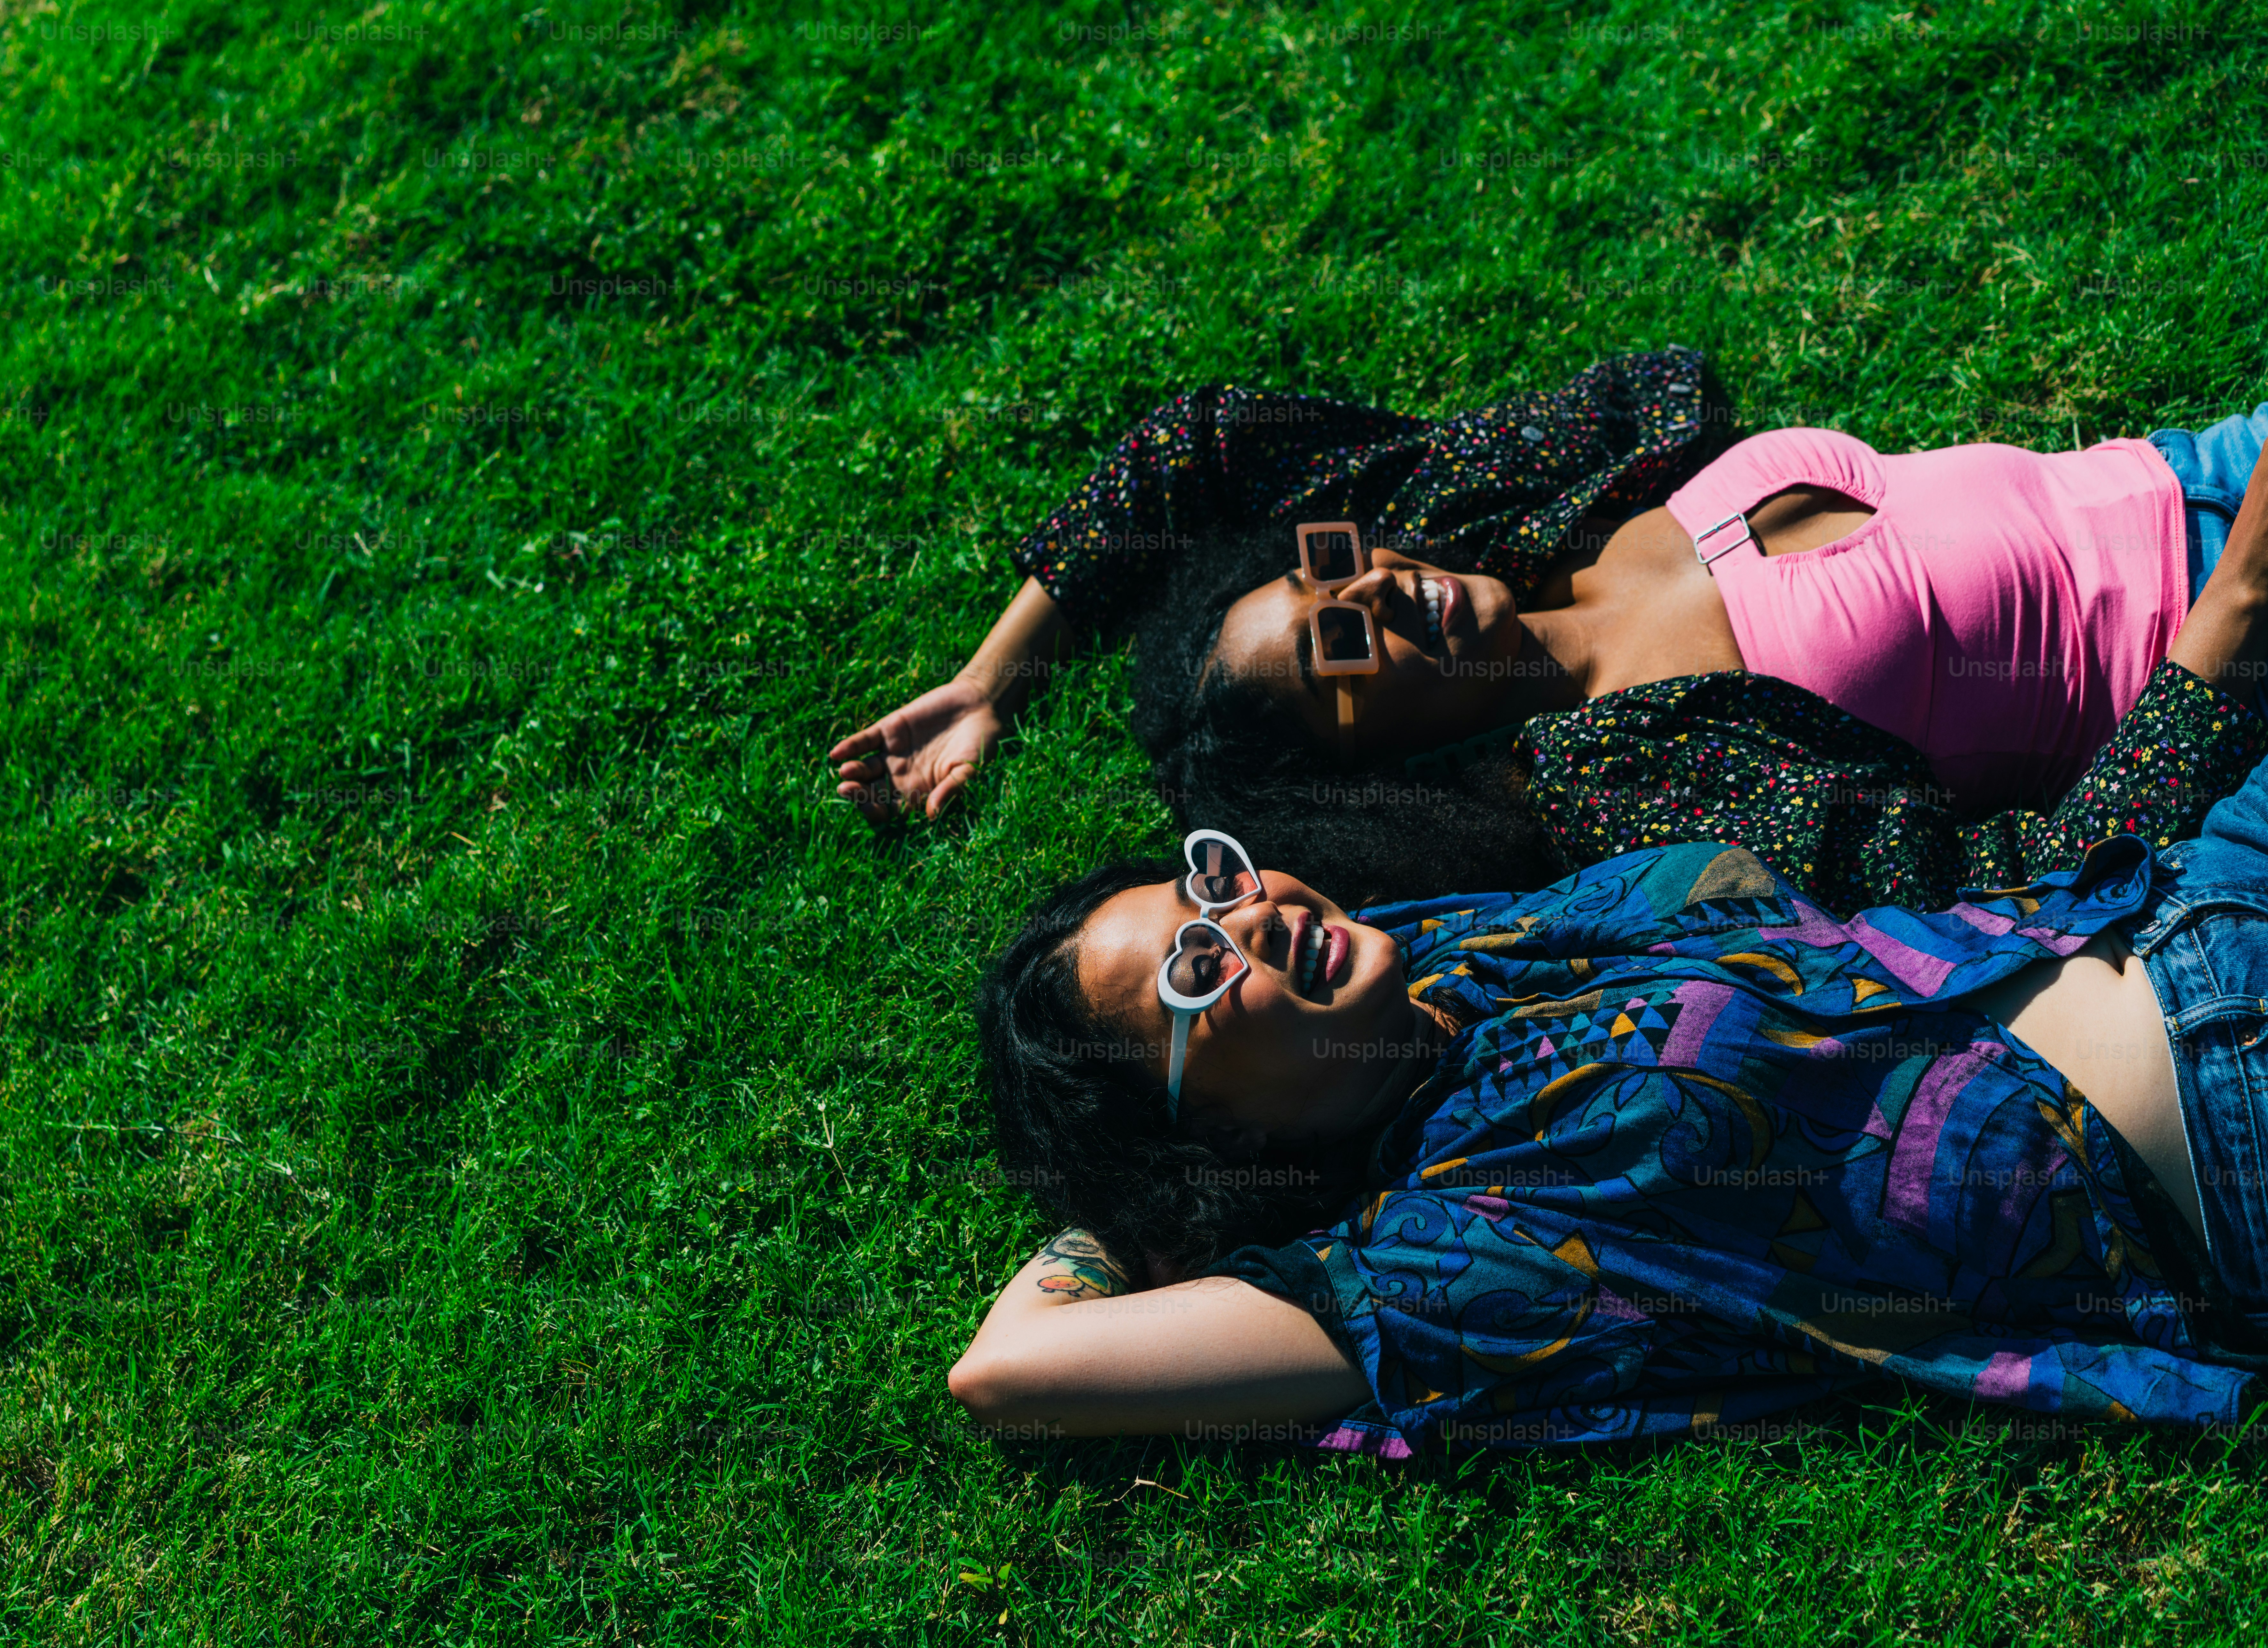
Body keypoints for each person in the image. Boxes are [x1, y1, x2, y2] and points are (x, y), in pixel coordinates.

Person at [946, 490, 2268, 1448]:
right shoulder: (1449, 1245)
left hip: (2177, 902)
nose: (1242, 918)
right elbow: (1011, 1367)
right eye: (1191, 970)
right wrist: (1158, 1207)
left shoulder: (1464, 957)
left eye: (1211, 885)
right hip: (2218, 1113)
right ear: (1209, 1129)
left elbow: (1214, 445)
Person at [832, 350, 2268, 914]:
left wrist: (985, 680)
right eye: (1342, 649)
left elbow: (1200, 446)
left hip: (2201, 462)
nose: (1375, 592)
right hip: (2240, 658)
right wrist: (2232, 618)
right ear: (1370, 769)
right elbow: (2039, 882)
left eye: (1330, 572)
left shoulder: (1532, 522)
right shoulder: (1634, 784)